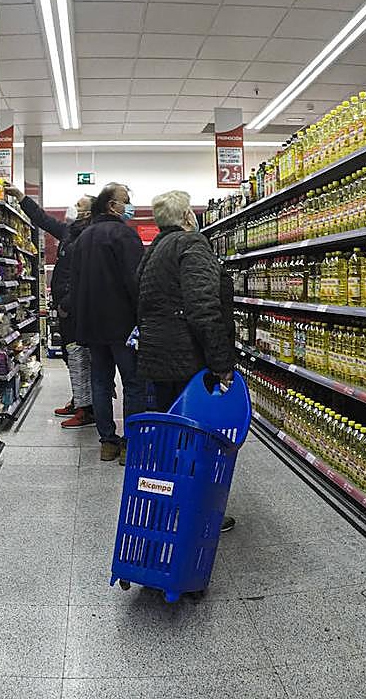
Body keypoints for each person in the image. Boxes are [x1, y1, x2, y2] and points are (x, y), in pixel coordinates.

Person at [135, 189, 237, 530]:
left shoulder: (154, 251)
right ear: (188, 217)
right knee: (195, 440)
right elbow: (203, 308)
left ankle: (170, 506)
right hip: (187, 360)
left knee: (171, 440)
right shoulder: (192, 245)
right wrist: (221, 363)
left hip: (158, 356)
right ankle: (196, 513)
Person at [66, 182, 146, 462]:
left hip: (92, 325)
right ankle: (130, 444)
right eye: (126, 200)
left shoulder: (83, 238)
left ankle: (107, 443)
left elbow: (74, 284)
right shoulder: (125, 235)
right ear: (112, 206)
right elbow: (136, 281)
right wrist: (142, 317)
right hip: (122, 325)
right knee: (133, 384)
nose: (129, 205)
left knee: (100, 382)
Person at [5, 185, 95, 428]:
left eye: (79, 205)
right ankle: (80, 400)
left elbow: (85, 277)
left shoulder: (89, 237)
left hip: (77, 308)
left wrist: (67, 303)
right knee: (70, 355)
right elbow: (42, 219)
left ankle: (87, 409)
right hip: (65, 308)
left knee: (79, 356)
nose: (73, 208)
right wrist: (21, 197)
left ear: (88, 213)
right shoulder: (69, 232)